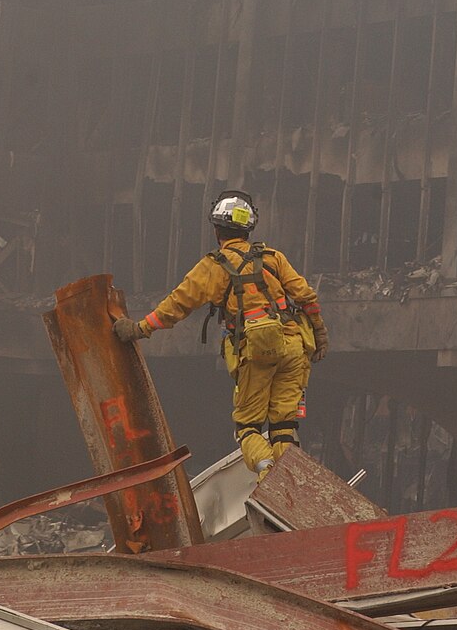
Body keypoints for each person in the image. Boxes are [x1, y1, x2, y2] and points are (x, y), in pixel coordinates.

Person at [113, 190, 329, 478]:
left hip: (256, 352)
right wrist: (320, 333)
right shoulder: (272, 257)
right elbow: (306, 297)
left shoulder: (213, 267)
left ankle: (269, 477)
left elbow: (176, 305)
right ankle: (292, 484)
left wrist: (139, 328)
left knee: (248, 427)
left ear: (217, 230)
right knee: (284, 425)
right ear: (248, 229)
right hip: (294, 347)